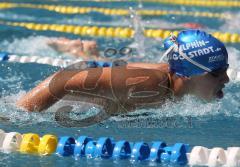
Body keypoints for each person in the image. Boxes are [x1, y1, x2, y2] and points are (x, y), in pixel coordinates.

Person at [17, 29, 229, 126]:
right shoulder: (150, 84)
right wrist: (19, 114)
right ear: (190, 75)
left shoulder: (175, 80)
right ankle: (81, 53)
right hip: (72, 100)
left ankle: (82, 52)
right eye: (217, 73)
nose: (227, 79)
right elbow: (62, 81)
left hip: (112, 78)